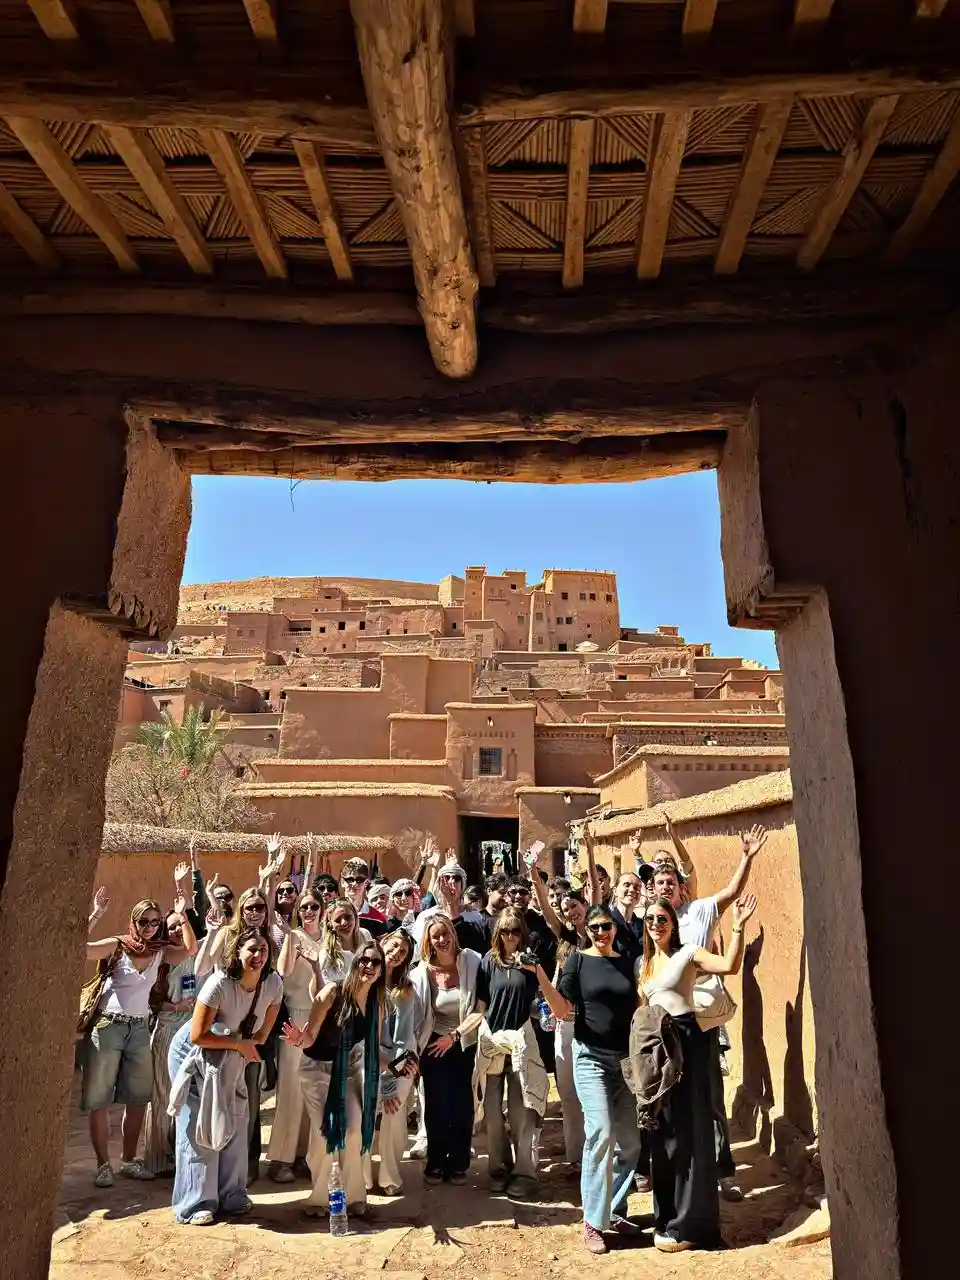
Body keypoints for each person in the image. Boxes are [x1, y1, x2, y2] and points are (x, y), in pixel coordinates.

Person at [653, 821, 768, 1202]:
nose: (666, 888)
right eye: (660, 883)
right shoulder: (654, 921)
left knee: (713, 1096)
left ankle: (723, 1171)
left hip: (704, 1012)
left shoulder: (701, 910)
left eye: (671, 882)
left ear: (682, 886)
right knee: (673, 1090)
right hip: (670, 1017)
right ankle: (684, 1169)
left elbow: (734, 891)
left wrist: (746, 857)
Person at [639, 893, 757, 1252]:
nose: (655, 924)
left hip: (686, 1044)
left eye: (662, 918)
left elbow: (729, 966)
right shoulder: (644, 965)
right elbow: (642, 1012)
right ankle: (667, 1218)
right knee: (663, 1134)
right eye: (649, 920)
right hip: (657, 1050)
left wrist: (736, 927)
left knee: (690, 1132)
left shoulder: (688, 953)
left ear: (673, 923)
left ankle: (691, 1226)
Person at [167, 928, 282, 1225]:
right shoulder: (219, 984)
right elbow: (198, 1035)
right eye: (251, 950)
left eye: (263, 950)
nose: (258, 956)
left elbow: (263, 1027)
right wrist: (239, 1045)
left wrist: (249, 1046)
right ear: (238, 952)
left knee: (236, 1119)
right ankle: (195, 1203)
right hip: (195, 1056)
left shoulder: (272, 983)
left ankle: (232, 1194)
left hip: (232, 1057)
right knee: (199, 1125)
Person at [546, 905, 643, 1254]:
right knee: (600, 1131)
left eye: (606, 927)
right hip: (590, 1059)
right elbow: (561, 1009)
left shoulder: (627, 961)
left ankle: (613, 1210)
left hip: (625, 1063)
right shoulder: (578, 962)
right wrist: (541, 976)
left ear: (614, 929)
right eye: (594, 928)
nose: (601, 933)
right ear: (586, 930)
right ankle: (592, 1220)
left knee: (630, 1143)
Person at [84, 891, 196, 1187]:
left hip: (139, 1028)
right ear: (134, 921)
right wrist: (96, 914)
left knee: (137, 1099)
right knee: (100, 1099)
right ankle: (102, 1165)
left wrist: (182, 915)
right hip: (108, 1026)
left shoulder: (160, 951)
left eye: (155, 922)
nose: (149, 927)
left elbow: (189, 948)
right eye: (144, 921)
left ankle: (128, 1160)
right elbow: (81, 948)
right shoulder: (118, 945)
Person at [283, 942, 386, 1218]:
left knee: (352, 1131)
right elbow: (311, 1036)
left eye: (375, 962)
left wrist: (400, 1066)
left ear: (381, 971)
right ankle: (320, 1198)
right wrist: (298, 1041)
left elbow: (373, 1052)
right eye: (364, 959)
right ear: (355, 963)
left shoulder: (376, 1003)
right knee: (325, 1134)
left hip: (347, 1073)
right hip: (316, 1070)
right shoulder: (333, 992)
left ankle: (353, 1197)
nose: (368, 966)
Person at [474, 909, 556, 1198]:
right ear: (498, 934)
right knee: (493, 1113)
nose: (510, 937)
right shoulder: (488, 962)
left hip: (522, 1041)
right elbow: (481, 1004)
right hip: (494, 1044)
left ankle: (524, 1172)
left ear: (522, 932)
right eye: (505, 931)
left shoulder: (530, 964)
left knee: (523, 1110)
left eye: (515, 931)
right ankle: (498, 1169)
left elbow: (541, 999)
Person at [410, 916, 487, 1185]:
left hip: (464, 1042)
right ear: (428, 941)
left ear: (453, 934)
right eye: (435, 937)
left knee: (463, 1106)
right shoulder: (421, 972)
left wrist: (455, 1036)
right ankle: (436, 1162)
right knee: (436, 1106)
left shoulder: (472, 961)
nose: (441, 940)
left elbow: (480, 1008)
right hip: (433, 1045)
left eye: (445, 934)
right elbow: (416, 1015)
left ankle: (458, 1163)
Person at [268, 886, 325, 1183]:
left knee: (313, 1091)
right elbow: (283, 972)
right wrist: (291, 941)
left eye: (314, 905)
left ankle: (305, 1155)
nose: (309, 911)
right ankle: (281, 1158)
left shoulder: (330, 940)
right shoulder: (293, 937)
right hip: (296, 1017)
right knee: (290, 1091)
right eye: (304, 907)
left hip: (322, 1019)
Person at [142, 898, 200, 1174]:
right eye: (172, 926)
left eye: (181, 925)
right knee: (164, 1094)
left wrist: (183, 913)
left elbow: (193, 948)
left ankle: (177, 1154)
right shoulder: (164, 955)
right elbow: (154, 1001)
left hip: (188, 1030)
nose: (177, 930)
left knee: (186, 1094)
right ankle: (156, 1158)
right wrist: (177, 1007)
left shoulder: (191, 960)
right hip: (167, 1028)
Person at [376, 929, 419, 1195]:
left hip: (398, 1061)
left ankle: (389, 1175)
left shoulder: (404, 991)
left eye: (402, 952)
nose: (396, 953)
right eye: (393, 946)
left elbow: (403, 1039)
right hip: (366, 1059)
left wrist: (391, 1078)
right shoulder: (364, 979)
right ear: (382, 943)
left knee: (392, 1114)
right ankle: (360, 1176)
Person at [412, 861, 491, 955]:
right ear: (439, 884)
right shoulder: (426, 916)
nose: (451, 882)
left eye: (456, 878)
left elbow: (479, 951)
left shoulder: (474, 916)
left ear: (462, 885)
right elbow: (419, 952)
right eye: (446, 878)